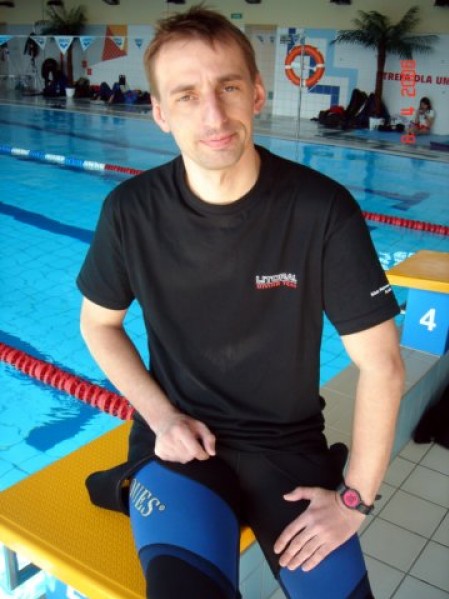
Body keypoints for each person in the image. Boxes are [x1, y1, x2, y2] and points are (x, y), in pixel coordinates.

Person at [77, 6, 405, 599]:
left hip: (286, 450)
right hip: (179, 447)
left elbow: (381, 363)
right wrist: (161, 418)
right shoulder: (130, 211)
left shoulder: (321, 210)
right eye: (186, 95)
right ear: (159, 112)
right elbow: (99, 325)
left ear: (256, 92)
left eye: (227, 87)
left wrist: (353, 501)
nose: (213, 115)